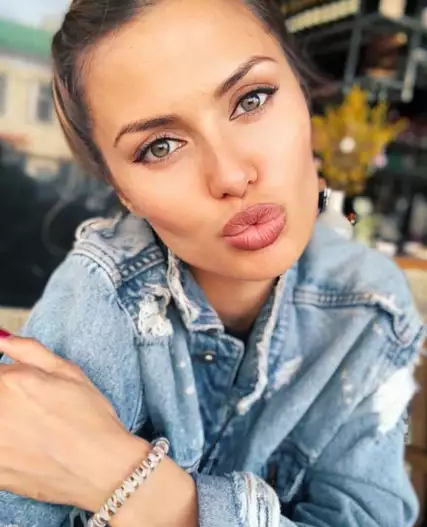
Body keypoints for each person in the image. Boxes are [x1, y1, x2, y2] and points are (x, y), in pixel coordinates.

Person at [0, 1, 424, 526]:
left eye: (251, 99)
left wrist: (134, 485)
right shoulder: (102, 294)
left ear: (302, 93)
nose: (230, 175)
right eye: (160, 147)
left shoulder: (371, 304)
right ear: (123, 191)